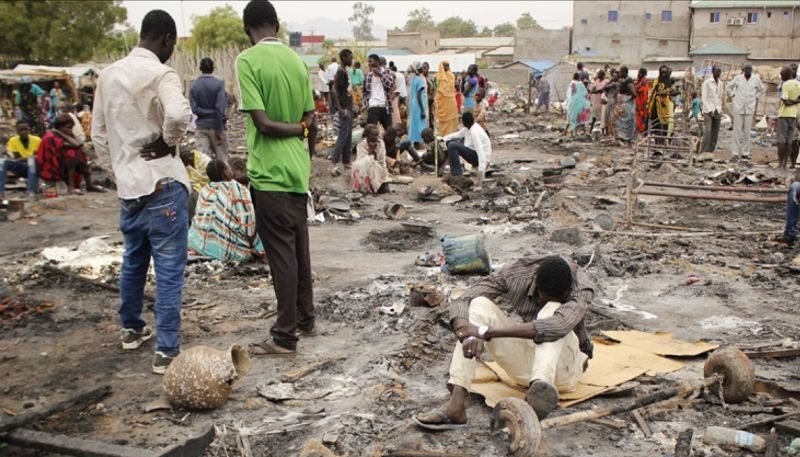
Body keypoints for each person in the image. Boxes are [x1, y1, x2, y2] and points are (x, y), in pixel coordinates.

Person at [92, 10, 191, 374]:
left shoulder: (109, 74)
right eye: (172, 44)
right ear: (166, 38)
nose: (171, 51)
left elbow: (98, 135)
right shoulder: (160, 73)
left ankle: (131, 328)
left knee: (134, 259)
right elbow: (179, 114)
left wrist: (117, 170)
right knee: (168, 268)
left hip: (130, 186)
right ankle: (166, 349)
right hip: (163, 182)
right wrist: (169, 142)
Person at [412, 255, 595, 429]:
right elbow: (464, 299)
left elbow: (558, 325)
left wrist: (485, 332)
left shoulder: (581, 287)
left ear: (568, 291)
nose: (540, 301)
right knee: (478, 304)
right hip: (526, 368)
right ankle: (456, 406)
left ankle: (539, 393)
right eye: (541, 296)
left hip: (565, 370)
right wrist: (468, 334)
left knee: (552, 310)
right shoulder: (516, 273)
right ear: (535, 283)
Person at [238, 0, 317, 356]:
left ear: (248, 28)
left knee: (281, 255)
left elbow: (263, 124)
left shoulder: (248, 61)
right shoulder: (297, 62)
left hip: (269, 174)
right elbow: (310, 121)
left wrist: (296, 129)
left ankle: (285, 336)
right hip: (297, 170)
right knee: (299, 249)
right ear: (276, 25)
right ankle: (305, 317)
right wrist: (302, 138)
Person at [188, 159, 265, 263]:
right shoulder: (238, 190)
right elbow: (249, 226)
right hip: (229, 251)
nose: (231, 171)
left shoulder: (205, 190)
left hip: (200, 245)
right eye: (228, 168)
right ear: (224, 173)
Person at [38, 114, 102, 196]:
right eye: (68, 128)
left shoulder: (67, 135)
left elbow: (80, 145)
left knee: (80, 154)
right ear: (60, 127)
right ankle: (71, 187)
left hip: (63, 164)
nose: (70, 130)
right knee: (72, 154)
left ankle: (89, 185)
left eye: (71, 128)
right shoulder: (50, 137)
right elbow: (74, 145)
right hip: (52, 167)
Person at [190, 57, 228, 161]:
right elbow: (220, 108)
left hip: (201, 127)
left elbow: (194, 109)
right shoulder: (219, 84)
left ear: (200, 68)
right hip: (216, 126)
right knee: (222, 159)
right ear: (213, 68)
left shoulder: (193, 85)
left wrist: (205, 113)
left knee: (204, 160)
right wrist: (219, 130)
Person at [727, 63, 764, 160]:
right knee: (737, 131)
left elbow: (762, 89)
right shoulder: (738, 78)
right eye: (746, 69)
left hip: (749, 107)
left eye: (749, 69)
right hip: (738, 107)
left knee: (747, 131)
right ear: (743, 70)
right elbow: (728, 87)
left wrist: (756, 96)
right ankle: (735, 153)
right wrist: (733, 95)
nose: (747, 70)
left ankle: (745, 153)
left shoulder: (756, 79)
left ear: (751, 70)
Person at [443, 111, 491, 188]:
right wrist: (443, 139)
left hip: (479, 158)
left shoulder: (475, 132)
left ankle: (457, 174)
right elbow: (457, 135)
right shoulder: (469, 128)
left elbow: (480, 150)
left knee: (452, 145)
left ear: (465, 122)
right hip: (474, 154)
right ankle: (455, 171)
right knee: (451, 142)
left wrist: (482, 170)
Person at [0, 122, 41, 200]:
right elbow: (17, 158)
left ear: (29, 130)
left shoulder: (37, 140)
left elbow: (38, 157)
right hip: (22, 166)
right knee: (2, 162)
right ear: (17, 131)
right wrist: (29, 157)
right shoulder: (13, 140)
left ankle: (31, 192)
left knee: (31, 161)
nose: (24, 132)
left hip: (36, 168)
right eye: (21, 130)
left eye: (26, 129)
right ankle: (0, 193)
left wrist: (27, 158)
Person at [330, 49, 354, 177]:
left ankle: (346, 161)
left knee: (348, 135)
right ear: (344, 58)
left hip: (348, 106)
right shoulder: (341, 72)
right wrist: (340, 108)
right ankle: (334, 162)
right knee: (343, 136)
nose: (352, 60)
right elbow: (334, 91)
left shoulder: (345, 71)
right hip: (344, 108)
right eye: (350, 58)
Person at [351, 124, 389, 194]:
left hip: (379, 170)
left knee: (384, 190)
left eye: (377, 136)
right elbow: (361, 164)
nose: (376, 138)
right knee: (363, 163)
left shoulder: (381, 143)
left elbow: (382, 161)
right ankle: (366, 186)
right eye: (373, 137)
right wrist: (371, 151)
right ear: (367, 136)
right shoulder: (361, 146)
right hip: (365, 173)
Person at [363, 54, 394, 130]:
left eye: (370, 61)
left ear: (377, 61)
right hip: (373, 106)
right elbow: (366, 91)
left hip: (385, 106)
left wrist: (380, 74)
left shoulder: (387, 72)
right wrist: (366, 104)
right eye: (368, 62)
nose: (369, 63)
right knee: (371, 130)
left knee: (389, 131)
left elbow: (390, 85)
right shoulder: (368, 76)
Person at [777, 66, 800, 168]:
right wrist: (797, 101)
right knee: (790, 140)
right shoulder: (798, 84)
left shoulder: (785, 84)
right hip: (794, 114)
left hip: (784, 114)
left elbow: (785, 101)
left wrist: (792, 101)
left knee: (781, 140)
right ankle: (788, 162)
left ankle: (781, 163)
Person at [648, 65, 677, 142]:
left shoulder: (668, 81)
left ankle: (665, 141)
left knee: (667, 124)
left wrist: (671, 92)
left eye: (666, 72)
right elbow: (655, 92)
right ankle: (658, 143)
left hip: (666, 105)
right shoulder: (657, 81)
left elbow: (669, 92)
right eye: (662, 72)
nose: (664, 74)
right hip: (657, 105)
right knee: (657, 125)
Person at [700, 65, 724, 153]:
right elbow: (704, 97)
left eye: (720, 71)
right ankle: (702, 151)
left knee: (715, 133)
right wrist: (709, 109)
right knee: (708, 132)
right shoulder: (707, 83)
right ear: (713, 72)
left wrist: (720, 109)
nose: (719, 73)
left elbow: (720, 97)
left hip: (717, 110)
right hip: (708, 111)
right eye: (717, 71)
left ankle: (710, 152)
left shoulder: (721, 83)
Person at [434, 61, 459, 136]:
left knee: (451, 119)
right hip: (441, 100)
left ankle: (451, 135)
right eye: (445, 66)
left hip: (451, 101)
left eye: (448, 65)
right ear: (442, 66)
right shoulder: (436, 76)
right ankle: (443, 135)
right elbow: (436, 87)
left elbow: (455, 87)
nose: (447, 67)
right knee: (442, 121)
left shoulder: (452, 76)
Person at [408, 62, 429, 147]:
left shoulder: (414, 79)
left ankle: (415, 141)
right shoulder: (420, 80)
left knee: (415, 123)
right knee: (420, 123)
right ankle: (419, 141)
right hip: (419, 104)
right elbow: (419, 95)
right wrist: (423, 110)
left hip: (414, 104)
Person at [615, 66, 637, 145]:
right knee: (621, 122)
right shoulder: (623, 80)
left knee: (627, 122)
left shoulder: (629, 81)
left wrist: (626, 99)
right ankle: (623, 139)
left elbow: (634, 93)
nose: (619, 73)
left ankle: (627, 139)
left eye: (620, 72)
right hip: (623, 105)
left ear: (624, 72)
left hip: (627, 106)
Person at [635, 68, 650, 135]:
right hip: (641, 102)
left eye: (639, 72)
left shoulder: (643, 81)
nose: (638, 74)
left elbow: (639, 90)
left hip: (641, 102)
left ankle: (641, 132)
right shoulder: (641, 81)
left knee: (640, 117)